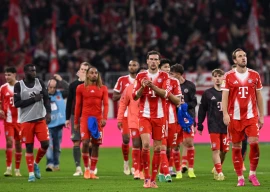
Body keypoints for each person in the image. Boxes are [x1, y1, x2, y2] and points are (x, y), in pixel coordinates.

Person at [221, 48, 264, 187]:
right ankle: (240, 177)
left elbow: (259, 96)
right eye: (240, 56)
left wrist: (261, 115)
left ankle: (252, 174)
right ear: (235, 60)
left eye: (244, 55)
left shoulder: (255, 75)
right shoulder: (228, 76)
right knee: (236, 147)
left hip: (251, 116)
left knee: (254, 143)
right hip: (235, 117)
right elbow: (225, 97)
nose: (243, 58)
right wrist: (225, 114)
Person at [133, 50, 171, 188]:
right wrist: (143, 87)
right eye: (151, 59)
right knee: (146, 145)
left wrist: (152, 86)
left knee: (157, 148)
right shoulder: (141, 76)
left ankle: (153, 180)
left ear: (159, 62)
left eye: (156, 59)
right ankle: (146, 178)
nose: (153, 61)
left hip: (160, 116)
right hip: (145, 115)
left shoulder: (165, 76)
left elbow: (165, 94)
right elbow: (135, 96)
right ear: (147, 61)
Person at [14, 64, 51, 182]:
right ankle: (31, 174)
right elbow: (17, 103)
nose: (34, 72)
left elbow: (46, 98)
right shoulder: (18, 85)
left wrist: (48, 113)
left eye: (35, 70)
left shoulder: (39, 82)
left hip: (40, 119)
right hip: (26, 121)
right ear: (25, 72)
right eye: (31, 71)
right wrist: (33, 99)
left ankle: (36, 163)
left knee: (45, 144)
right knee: (29, 146)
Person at [74, 66, 108, 179]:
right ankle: (86, 169)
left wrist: (105, 118)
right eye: (92, 73)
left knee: (96, 145)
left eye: (96, 73)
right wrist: (76, 121)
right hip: (85, 119)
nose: (94, 74)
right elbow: (78, 105)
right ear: (88, 75)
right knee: (85, 142)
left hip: (98, 120)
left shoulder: (103, 88)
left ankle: (93, 171)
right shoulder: (80, 88)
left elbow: (106, 104)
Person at [197, 69, 229, 181]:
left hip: (226, 126)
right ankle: (219, 172)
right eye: (215, 76)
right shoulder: (208, 93)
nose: (217, 78)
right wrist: (200, 124)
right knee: (216, 149)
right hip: (213, 125)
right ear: (212, 78)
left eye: (220, 76)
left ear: (223, 78)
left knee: (224, 151)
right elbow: (202, 109)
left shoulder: (227, 92)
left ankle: (217, 168)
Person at [117, 67, 146, 180]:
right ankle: (136, 169)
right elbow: (123, 104)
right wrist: (120, 119)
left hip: (146, 120)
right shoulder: (129, 88)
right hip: (133, 120)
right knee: (136, 143)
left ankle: (142, 169)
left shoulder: (150, 89)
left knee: (145, 146)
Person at [170, 64, 197, 178]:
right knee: (175, 146)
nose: (171, 75)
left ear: (179, 74)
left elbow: (194, 102)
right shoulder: (170, 86)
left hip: (187, 118)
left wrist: (185, 105)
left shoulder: (190, 85)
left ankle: (191, 170)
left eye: (172, 73)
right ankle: (178, 171)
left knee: (189, 143)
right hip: (175, 119)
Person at [113, 60, 140, 175]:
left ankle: (135, 166)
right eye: (130, 65)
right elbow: (114, 97)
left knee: (136, 141)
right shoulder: (122, 80)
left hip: (138, 114)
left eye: (134, 65)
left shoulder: (142, 79)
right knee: (125, 139)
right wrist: (125, 93)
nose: (132, 67)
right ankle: (126, 162)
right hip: (125, 115)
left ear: (138, 67)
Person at [157, 59, 181, 182]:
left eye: (168, 67)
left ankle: (161, 172)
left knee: (169, 148)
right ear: (160, 68)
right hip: (159, 117)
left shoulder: (175, 81)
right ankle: (167, 173)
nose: (167, 69)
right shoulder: (155, 81)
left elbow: (178, 101)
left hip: (172, 119)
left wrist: (166, 93)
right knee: (162, 146)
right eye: (165, 67)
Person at [65, 62, 90, 176]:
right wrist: (67, 118)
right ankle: (78, 168)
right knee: (76, 141)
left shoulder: (93, 85)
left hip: (89, 116)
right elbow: (69, 102)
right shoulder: (73, 85)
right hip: (75, 116)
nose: (83, 71)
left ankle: (88, 167)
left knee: (88, 142)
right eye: (82, 69)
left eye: (86, 70)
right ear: (79, 70)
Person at [0, 67, 22, 177]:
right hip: (8, 121)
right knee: (9, 142)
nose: (6, 77)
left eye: (9, 75)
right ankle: (8, 168)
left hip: (20, 121)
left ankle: (17, 170)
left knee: (18, 145)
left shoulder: (22, 86)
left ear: (14, 74)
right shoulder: (3, 88)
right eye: (5, 75)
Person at [46, 74, 69, 171]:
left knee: (57, 147)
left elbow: (69, 90)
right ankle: (50, 163)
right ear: (47, 87)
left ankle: (56, 164)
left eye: (54, 87)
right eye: (50, 87)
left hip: (58, 125)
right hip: (47, 125)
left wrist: (61, 80)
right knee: (49, 145)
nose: (52, 89)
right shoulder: (44, 96)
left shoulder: (60, 94)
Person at [232, 64, 247, 171]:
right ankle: (219, 164)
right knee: (229, 144)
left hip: (245, 117)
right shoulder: (228, 85)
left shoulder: (244, 85)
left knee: (244, 141)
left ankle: (242, 163)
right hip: (232, 117)